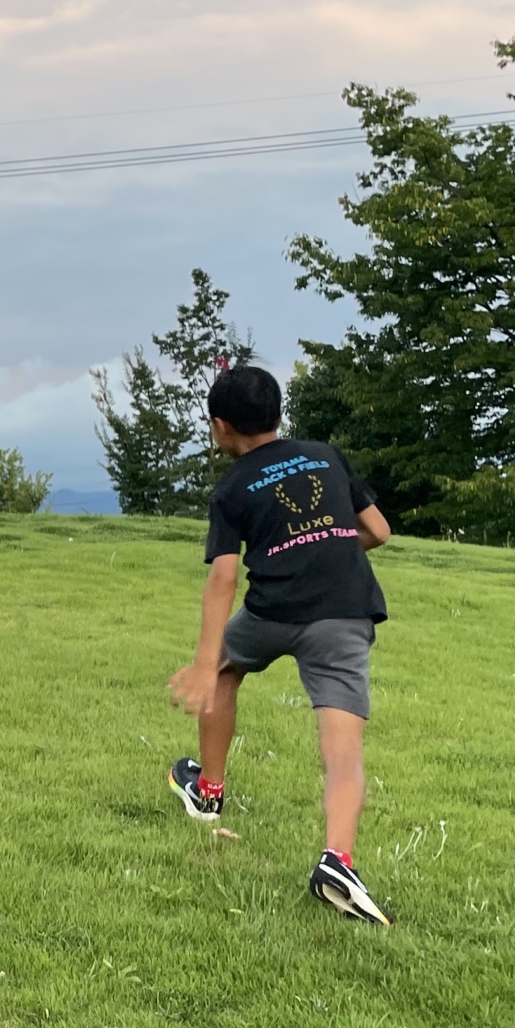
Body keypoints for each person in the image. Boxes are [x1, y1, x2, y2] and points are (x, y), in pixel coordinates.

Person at [165, 362, 394, 925]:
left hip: (272, 610)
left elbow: (223, 577)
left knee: (223, 670)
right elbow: (379, 531)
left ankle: (209, 791)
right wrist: (327, 551)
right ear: (279, 414)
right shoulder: (325, 455)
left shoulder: (232, 486)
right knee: (343, 753)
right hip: (343, 612)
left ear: (221, 427)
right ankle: (338, 860)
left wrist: (200, 663)